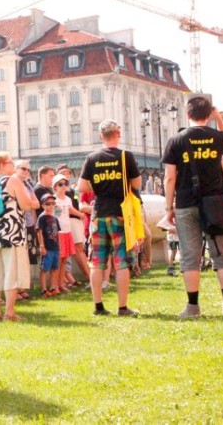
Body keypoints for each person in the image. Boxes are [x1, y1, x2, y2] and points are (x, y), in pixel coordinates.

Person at [162, 96, 223, 317]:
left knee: (189, 255)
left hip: (186, 203)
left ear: (187, 114)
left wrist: (168, 209)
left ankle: (193, 307)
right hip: (215, 203)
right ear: (208, 114)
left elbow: (169, 178)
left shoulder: (176, 140)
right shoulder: (217, 137)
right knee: (222, 254)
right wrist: (218, 116)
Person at [78, 119, 141, 316]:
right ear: (118, 134)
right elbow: (137, 184)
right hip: (120, 214)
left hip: (99, 215)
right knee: (121, 262)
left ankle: (98, 306)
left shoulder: (92, 158)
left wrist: (98, 187)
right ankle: (122, 307)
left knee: (97, 262)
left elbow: (81, 187)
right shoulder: (125, 156)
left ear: (100, 136)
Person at [0, 152, 40, 321]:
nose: (12, 166)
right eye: (10, 163)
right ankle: (9, 312)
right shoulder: (12, 180)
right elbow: (26, 205)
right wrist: (32, 202)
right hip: (11, 233)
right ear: (2, 165)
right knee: (11, 272)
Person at [15, 159, 40, 298]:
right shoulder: (14, 183)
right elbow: (24, 203)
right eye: (23, 169)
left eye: (27, 169)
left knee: (27, 257)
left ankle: (23, 288)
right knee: (18, 257)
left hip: (29, 223)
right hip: (18, 224)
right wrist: (29, 203)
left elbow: (36, 204)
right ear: (16, 169)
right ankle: (17, 289)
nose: (26, 172)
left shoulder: (28, 185)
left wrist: (28, 203)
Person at [36, 193, 61, 297]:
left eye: (53, 203)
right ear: (43, 205)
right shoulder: (42, 217)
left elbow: (57, 233)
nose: (51, 206)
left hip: (55, 247)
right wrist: (42, 246)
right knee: (44, 269)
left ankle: (53, 287)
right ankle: (43, 289)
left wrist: (59, 246)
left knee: (54, 268)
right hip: (47, 247)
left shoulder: (55, 218)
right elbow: (39, 232)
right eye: (48, 204)